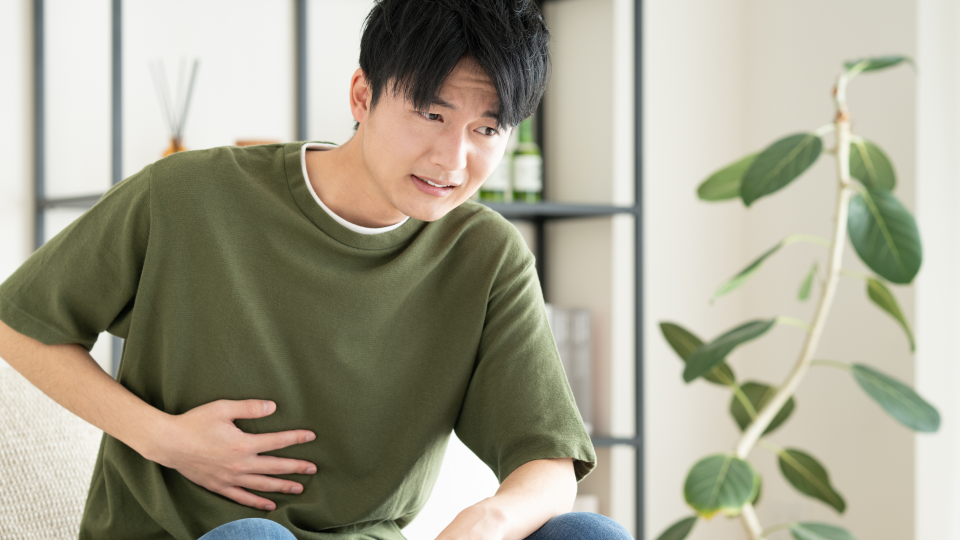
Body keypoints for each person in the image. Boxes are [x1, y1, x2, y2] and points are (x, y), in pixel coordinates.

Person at [0, 1, 632, 539]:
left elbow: (549, 464)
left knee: (589, 533)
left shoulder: (485, 255)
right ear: (363, 95)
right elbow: (17, 323)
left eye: (487, 129)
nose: (453, 159)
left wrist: (487, 519)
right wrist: (165, 439)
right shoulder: (186, 195)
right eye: (431, 114)